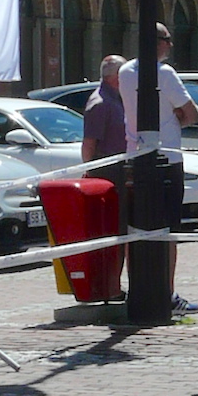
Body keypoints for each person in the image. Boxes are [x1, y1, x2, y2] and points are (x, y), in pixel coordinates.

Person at [118, 23, 198, 316]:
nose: (171, 45)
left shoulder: (124, 71)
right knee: (169, 230)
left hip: (134, 157)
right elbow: (191, 114)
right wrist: (175, 118)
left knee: (135, 228)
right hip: (167, 159)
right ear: (157, 42)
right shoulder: (164, 73)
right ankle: (167, 293)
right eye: (167, 40)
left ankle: (137, 289)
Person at [81, 54, 127, 284]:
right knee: (111, 231)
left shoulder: (118, 99)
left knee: (122, 231)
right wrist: (90, 174)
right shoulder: (100, 103)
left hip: (121, 172)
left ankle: (114, 284)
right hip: (107, 174)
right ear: (116, 76)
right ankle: (109, 285)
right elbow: (89, 144)